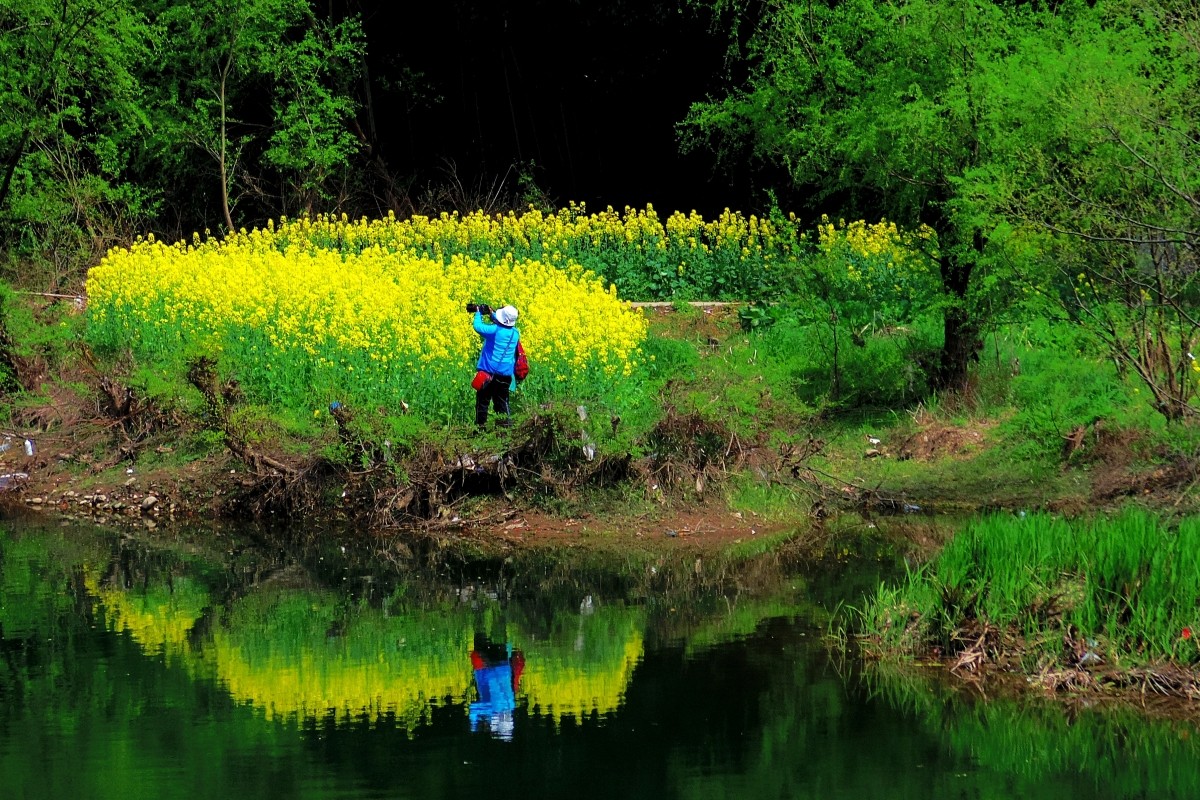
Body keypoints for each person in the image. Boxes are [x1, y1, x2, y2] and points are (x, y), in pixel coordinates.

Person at [470, 303, 520, 428]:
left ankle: (480, 432)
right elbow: (504, 325)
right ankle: (505, 432)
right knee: (502, 404)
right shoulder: (515, 333)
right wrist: (492, 314)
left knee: (483, 403)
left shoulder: (494, 331)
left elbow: (477, 326)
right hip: (505, 376)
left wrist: (478, 312)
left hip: (488, 374)